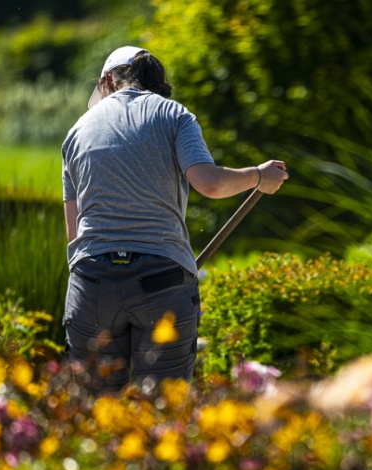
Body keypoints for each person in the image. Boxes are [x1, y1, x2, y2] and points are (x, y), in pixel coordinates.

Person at [61, 46, 288, 393]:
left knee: (94, 414)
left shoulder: (77, 131)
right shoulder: (174, 115)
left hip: (92, 282)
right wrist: (257, 176)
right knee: (164, 411)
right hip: (162, 281)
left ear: (107, 80)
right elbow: (209, 184)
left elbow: (74, 232)